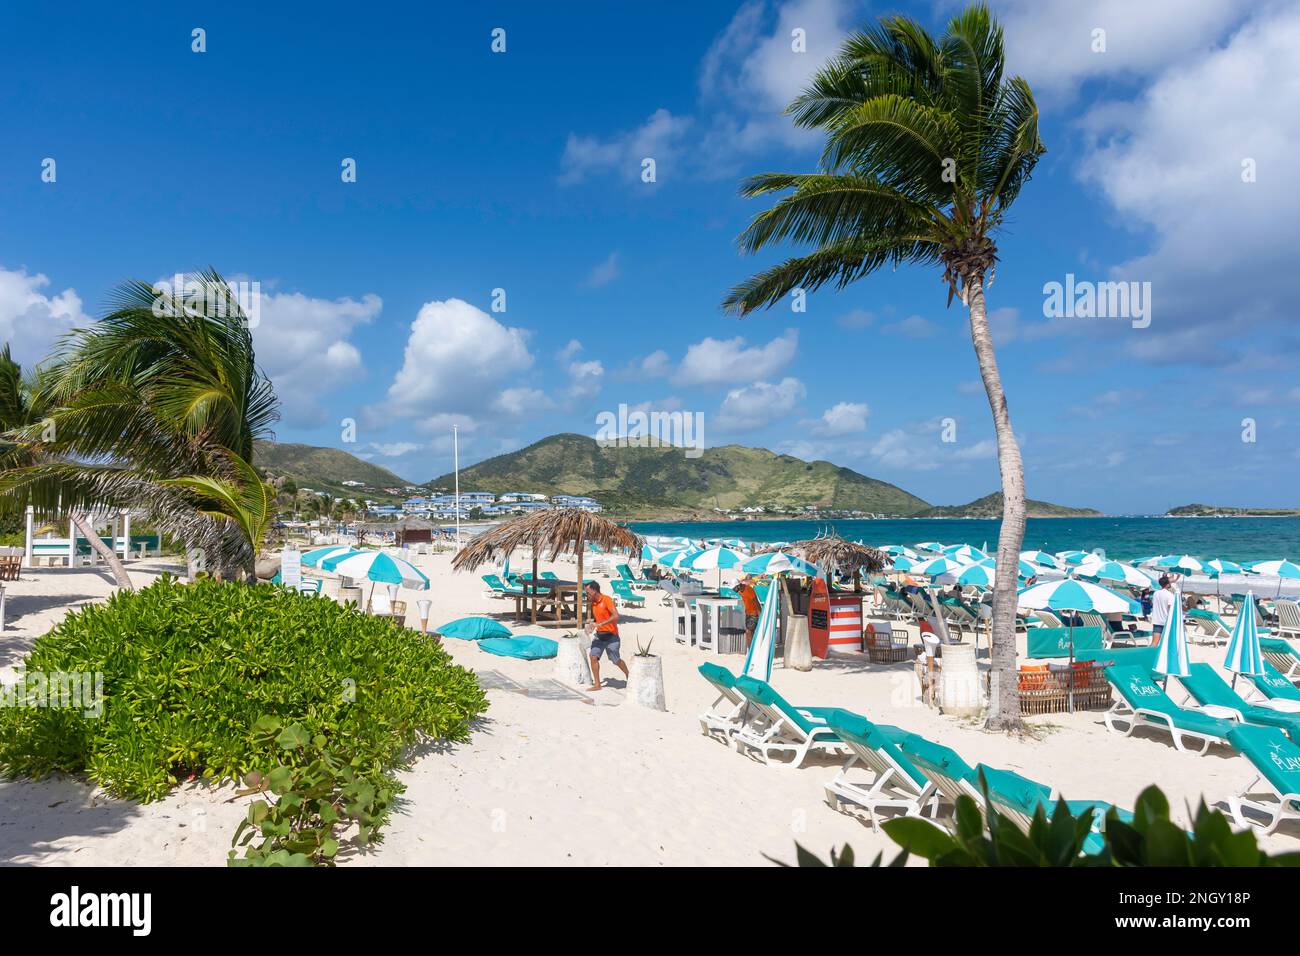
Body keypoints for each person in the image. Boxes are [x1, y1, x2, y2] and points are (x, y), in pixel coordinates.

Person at [584, 581, 628, 691]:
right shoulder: (593, 603)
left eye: (587, 592)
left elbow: (616, 615)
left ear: (594, 591)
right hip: (599, 636)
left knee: (616, 661)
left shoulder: (606, 600)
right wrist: (591, 624)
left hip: (612, 636)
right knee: (593, 657)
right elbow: (598, 618)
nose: (586, 595)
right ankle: (597, 685)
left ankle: (629, 676)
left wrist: (601, 624)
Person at [735, 574, 762, 647]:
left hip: (754, 613)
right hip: (748, 613)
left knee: (749, 632)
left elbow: (757, 603)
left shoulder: (749, 590)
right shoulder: (740, 591)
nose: (733, 590)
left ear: (738, 585)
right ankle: (752, 650)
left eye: (734, 588)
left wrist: (760, 616)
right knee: (750, 632)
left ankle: (751, 650)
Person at [1150, 575, 1176, 646]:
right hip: (1166, 621)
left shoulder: (1155, 593)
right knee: (1167, 643)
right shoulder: (1170, 595)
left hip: (1157, 620)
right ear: (1167, 584)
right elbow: (1171, 608)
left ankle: (1149, 656)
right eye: (1170, 583)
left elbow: (1153, 604)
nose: (1170, 584)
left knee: (1154, 642)